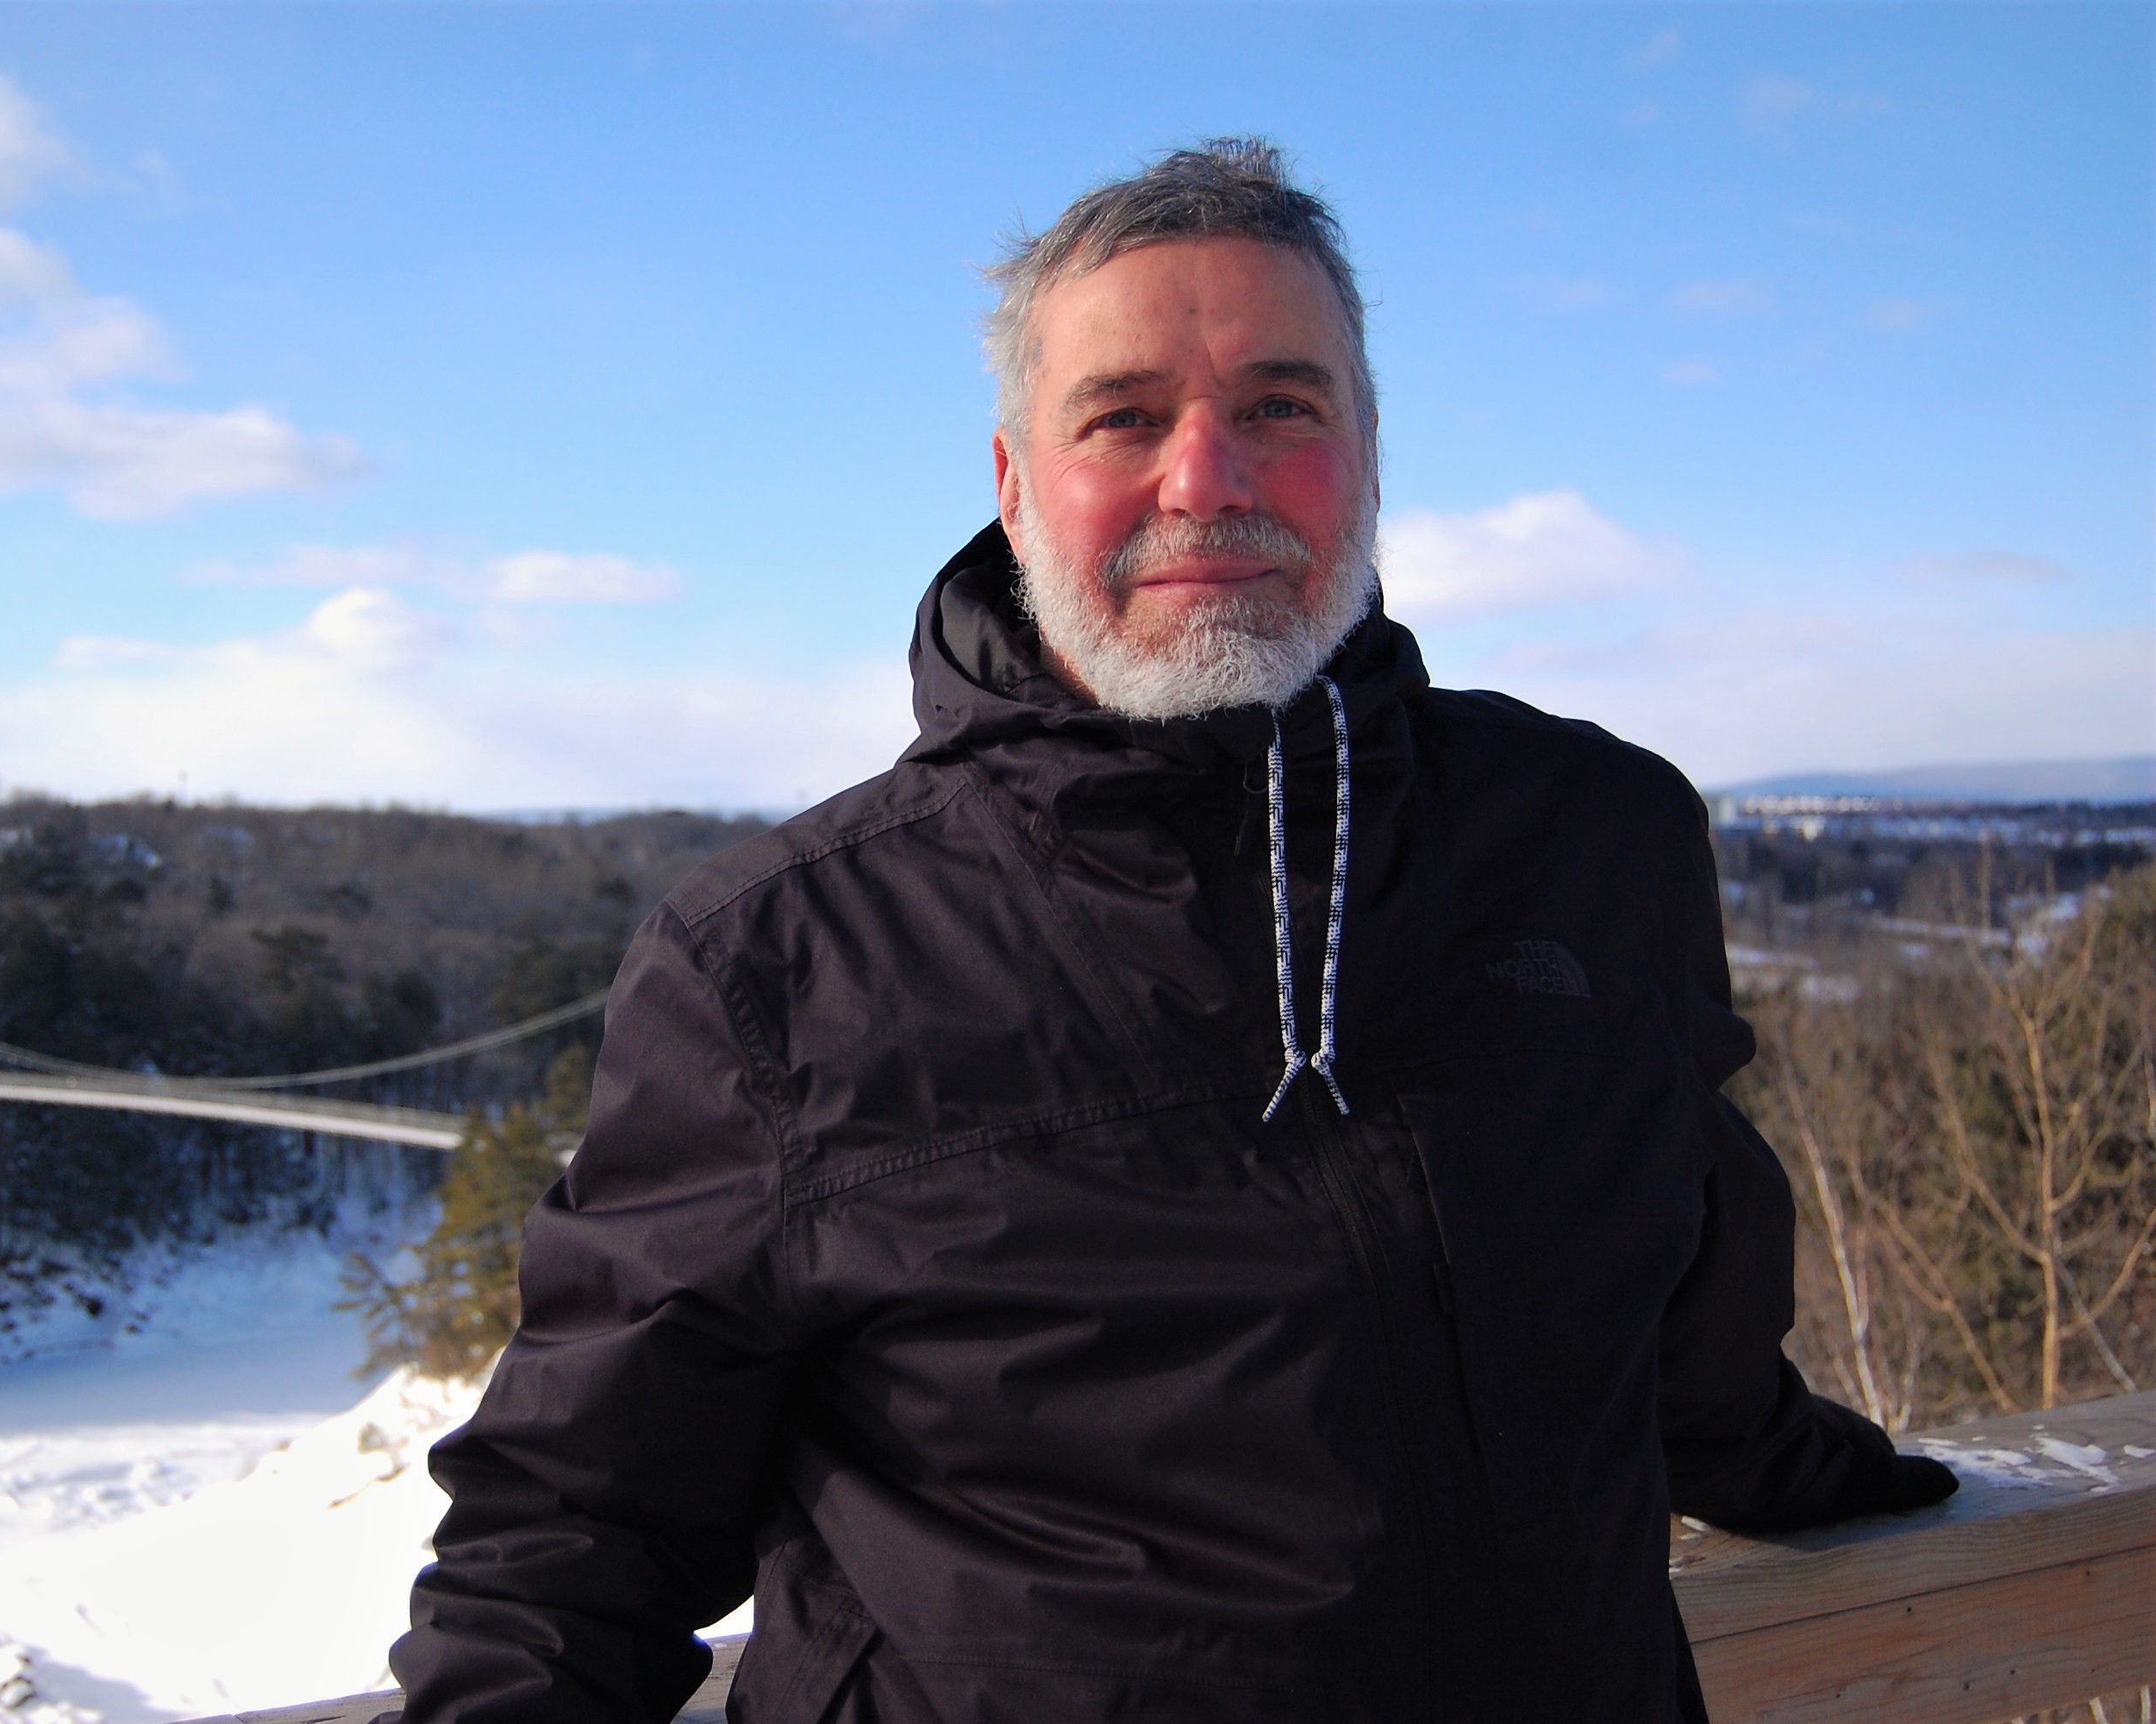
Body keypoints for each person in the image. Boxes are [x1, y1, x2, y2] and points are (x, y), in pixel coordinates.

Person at [389, 139, 1956, 1724]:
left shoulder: (1594, 838)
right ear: (1013, 483)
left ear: (1366, 454)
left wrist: (1859, 1483)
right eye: (1124, 416)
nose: (1205, 479)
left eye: (1282, 406)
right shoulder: (788, 963)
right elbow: (571, 1544)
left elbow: (1685, 1347)